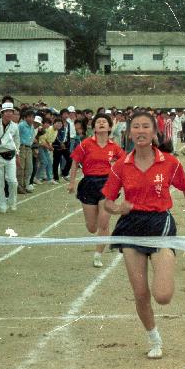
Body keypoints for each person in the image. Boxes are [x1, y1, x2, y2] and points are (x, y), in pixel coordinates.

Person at [102, 111, 185, 359]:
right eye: (135, 126)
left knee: (163, 295)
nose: (140, 130)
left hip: (160, 225)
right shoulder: (120, 165)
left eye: (145, 126)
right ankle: (153, 338)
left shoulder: (169, 162)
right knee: (140, 293)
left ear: (154, 132)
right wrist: (118, 208)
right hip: (130, 227)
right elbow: (107, 201)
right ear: (129, 133)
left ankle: (165, 266)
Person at [68, 113, 125, 268]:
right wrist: (72, 183)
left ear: (109, 127)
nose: (101, 123)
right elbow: (74, 164)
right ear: (93, 127)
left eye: (104, 122)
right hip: (88, 183)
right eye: (98, 122)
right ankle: (96, 236)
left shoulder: (114, 147)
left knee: (104, 223)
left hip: (107, 184)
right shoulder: (86, 144)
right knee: (92, 227)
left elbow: (125, 165)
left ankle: (98, 255)